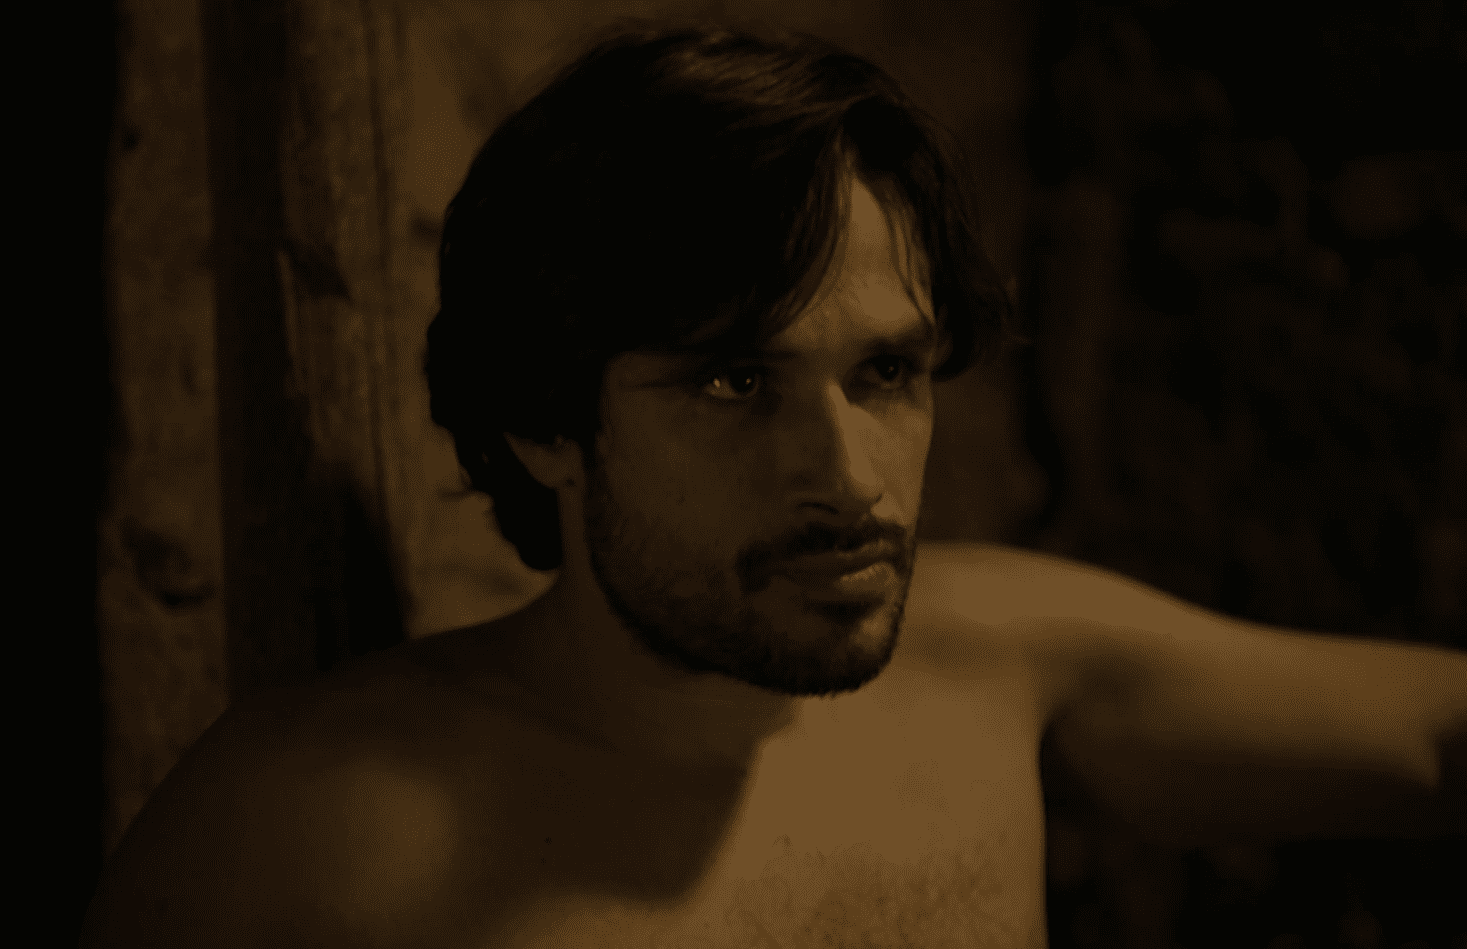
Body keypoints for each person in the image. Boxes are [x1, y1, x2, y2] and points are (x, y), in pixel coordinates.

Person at [82, 20, 1466, 949]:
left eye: (886, 372)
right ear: (544, 424)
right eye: (735, 384)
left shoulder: (998, 661)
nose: (849, 477)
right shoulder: (303, 830)